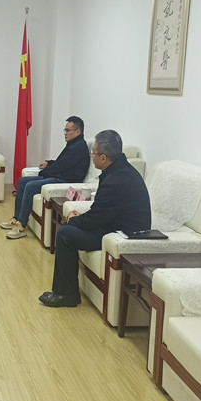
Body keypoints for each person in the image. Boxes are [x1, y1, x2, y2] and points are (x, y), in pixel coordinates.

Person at [39, 130, 151, 307]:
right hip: (114, 226)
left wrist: (73, 220)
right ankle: (66, 291)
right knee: (70, 228)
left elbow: (96, 219)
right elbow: (101, 211)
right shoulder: (120, 170)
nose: (92, 156)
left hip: (123, 236)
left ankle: (66, 294)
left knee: (66, 234)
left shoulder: (116, 180)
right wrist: (79, 218)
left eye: (94, 153)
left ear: (104, 158)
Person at [1, 116, 89, 239]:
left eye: (68, 130)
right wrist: (49, 163)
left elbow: (60, 167)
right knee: (21, 181)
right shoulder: (73, 144)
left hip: (66, 181)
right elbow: (61, 162)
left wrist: (44, 172)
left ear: (77, 131)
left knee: (30, 186)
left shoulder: (78, 147)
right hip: (59, 176)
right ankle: (16, 218)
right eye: (65, 130)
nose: (65, 133)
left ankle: (21, 225)